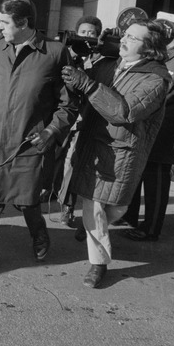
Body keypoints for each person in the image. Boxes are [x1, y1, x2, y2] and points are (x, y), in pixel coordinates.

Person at [0, 0, 78, 277]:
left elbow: (69, 104)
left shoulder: (54, 52)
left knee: (27, 200)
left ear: (24, 23)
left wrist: (52, 130)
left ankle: (39, 233)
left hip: (31, 141)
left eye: (5, 22)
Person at [61, 21, 171, 287]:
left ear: (149, 49)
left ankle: (91, 226)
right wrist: (76, 58)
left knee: (117, 207)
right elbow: (79, 80)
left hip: (122, 153)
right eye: (124, 35)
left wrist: (88, 86)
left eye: (132, 38)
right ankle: (98, 264)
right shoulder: (109, 64)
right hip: (94, 147)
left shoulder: (156, 79)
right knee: (95, 205)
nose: (123, 41)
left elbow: (125, 112)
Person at [118, 11, 174, 241]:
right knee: (135, 171)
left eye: (162, 28)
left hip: (166, 131)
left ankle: (151, 227)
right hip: (145, 127)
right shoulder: (158, 53)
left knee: (156, 178)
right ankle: (128, 215)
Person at [56, 15, 108, 235]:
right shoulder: (69, 55)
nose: (87, 38)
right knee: (65, 162)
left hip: (93, 121)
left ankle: (80, 212)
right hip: (72, 119)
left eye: (92, 34)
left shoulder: (103, 60)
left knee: (85, 167)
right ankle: (62, 202)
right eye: (83, 33)